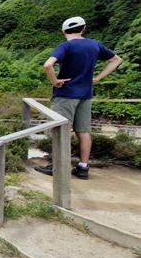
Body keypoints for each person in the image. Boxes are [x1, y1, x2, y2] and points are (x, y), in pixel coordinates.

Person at [35, 16, 122, 179]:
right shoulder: (95, 45)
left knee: (61, 130)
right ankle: (83, 168)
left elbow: (48, 65)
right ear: (83, 29)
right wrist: (98, 78)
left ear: (63, 31)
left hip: (66, 94)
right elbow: (116, 60)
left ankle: (58, 167)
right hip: (86, 94)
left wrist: (54, 82)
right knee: (83, 131)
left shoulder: (66, 46)